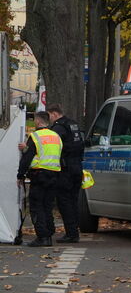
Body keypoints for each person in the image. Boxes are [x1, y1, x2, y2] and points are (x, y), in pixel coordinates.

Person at [17, 111, 63, 247]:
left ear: (37, 122)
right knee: (47, 206)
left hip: (39, 175)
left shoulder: (35, 136)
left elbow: (28, 157)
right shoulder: (56, 136)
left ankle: (42, 236)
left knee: (37, 206)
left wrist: (20, 175)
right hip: (54, 174)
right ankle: (48, 233)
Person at [47, 104, 86, 243]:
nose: (50, 118)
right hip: (77, 167)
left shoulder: (58, 128)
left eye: (50, 115)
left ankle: (71, 233)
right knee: (73, 200)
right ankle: (74, 230)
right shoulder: (73, 124)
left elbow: (53, 148)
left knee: (64, 201)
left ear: (55, 114)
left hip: (65, 169)